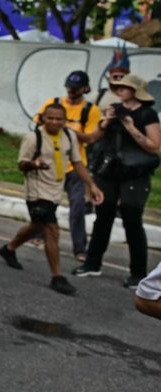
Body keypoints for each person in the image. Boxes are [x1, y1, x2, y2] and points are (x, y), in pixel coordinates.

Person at [0, 102, 104, 295]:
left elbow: (78, 163)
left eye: (59, 119)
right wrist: (34, 164)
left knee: (37, 225)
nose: (54, 122)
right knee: (51, 230)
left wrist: (92, 185)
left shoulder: (70, 136)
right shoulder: (33, 138)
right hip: (37, 191)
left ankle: (9, 248)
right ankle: (57, 277)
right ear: (43, 119)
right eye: (50, 118)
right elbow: (21, 165)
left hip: (55, 191)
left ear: (65, 121)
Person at [73, 74, 160, 289]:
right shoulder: (113, 109)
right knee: (103, 216)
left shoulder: (147, 114)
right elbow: (94, 138)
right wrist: (106, 122)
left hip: (135, 173)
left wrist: (130, 126)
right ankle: (92, 263)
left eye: (125, 87)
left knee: (132, 220)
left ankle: (138, 274)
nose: (120, 90)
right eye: (118, 87)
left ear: (136, 90)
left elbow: (155, 146)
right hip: (109, 171)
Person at [33, 70, 101, 261]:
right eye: (69, 88)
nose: (71, 92)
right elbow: (38, 123)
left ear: (85, 89)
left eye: (76, 89)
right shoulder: (53, 103)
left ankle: (79, 248)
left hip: (76, 164)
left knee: (78, 206)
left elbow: (89, 137)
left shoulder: (91, 110)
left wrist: (65, 128)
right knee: (46, 203)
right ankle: (38, 235)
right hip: (52, 163)